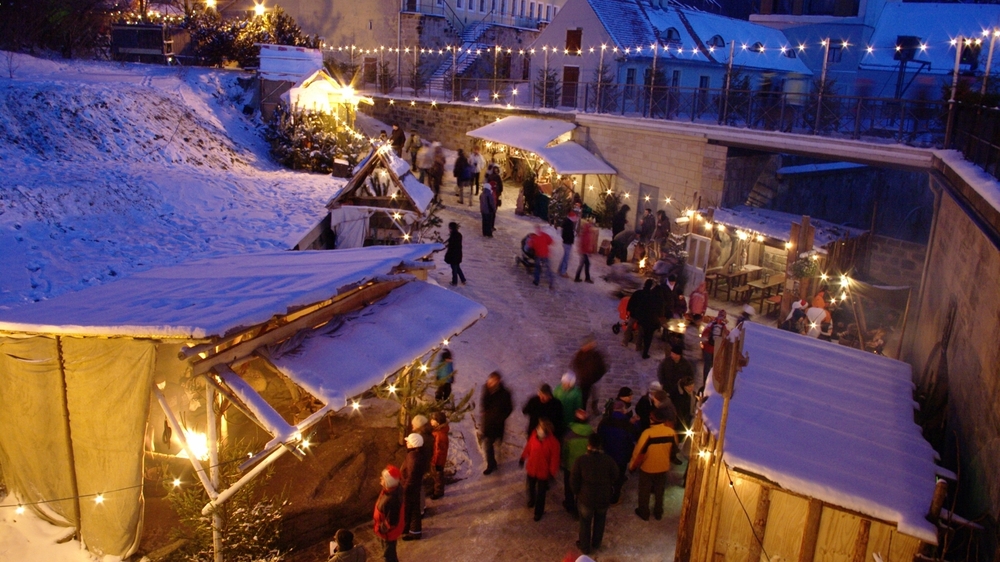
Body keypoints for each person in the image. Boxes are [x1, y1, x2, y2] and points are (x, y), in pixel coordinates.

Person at [571, 434, 619, 555]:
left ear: (589, 444)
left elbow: (574, 480)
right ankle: (596, 543)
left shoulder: (581, 460)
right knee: (600, 520)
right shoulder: (608, 460)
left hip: (586, 499)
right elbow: (616, 475)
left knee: (585, 523)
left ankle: (585, 546)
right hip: (603, 498)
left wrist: (577, 492)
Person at [629, 408, 676, 521]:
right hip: (663, 467)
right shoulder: (671, 432)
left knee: (644, 491)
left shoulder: (648, 434)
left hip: (648, 468)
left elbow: (639, 452)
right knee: (660, 491)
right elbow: (674, 450)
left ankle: (643, 512)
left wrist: (632, 466)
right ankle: (658, 512)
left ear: (654, 419)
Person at [519, 419, 561, 521]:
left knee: (541, 494)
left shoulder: (553, 443)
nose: (538, 429)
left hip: (543, 472)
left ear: (546, 430)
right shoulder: (534, 436)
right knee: (530, 487)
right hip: (532, 468)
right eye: (538, 427)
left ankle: (538, 512)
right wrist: (523, 457)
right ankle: (531, 500)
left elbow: (554, 459)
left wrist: (552, 472)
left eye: (540, 428)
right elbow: (528, 447)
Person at [596, 399, 637, 505]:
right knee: (619, 477)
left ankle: (606, 493)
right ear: (623, 410)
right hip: (621, 457)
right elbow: (632, 438)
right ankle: (615, 498)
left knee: (607, 475)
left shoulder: (605, 421)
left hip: (607, 454)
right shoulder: (627, 424)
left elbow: (599, 435)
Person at [561, 409, 594, 516]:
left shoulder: (569, 434)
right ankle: (580, 504)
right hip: (586, 466)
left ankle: (570, 505)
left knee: (569, 486)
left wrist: (563, 462)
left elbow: (565, 450)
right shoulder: (591, 434)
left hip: (571, 466)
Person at [480, 371, 513, 475]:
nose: (490, 382)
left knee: (496, 440)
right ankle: (491, 465)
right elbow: (484, 402)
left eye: (493, 381)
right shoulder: (486, 389)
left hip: (498, 423)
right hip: (488, 423)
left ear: (498, 381)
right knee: (488, 444)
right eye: (490, 380)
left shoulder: (505, 393)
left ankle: (498, 445)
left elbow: (509, 408)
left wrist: (501, 417)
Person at [373, 465, 404, 562]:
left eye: (383, 477)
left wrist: (380, 529)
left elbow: (391, 522)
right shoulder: (392, 491)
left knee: (388, 555)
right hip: (388, 532)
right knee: (390, 553)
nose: (380, 478)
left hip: (388, 534)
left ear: (388, 482)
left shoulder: (391, 499)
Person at [570, 336, 607, 413]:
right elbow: (575, 365)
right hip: (585, 381)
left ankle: (594, 407)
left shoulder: (596, 355)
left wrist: (597, 376)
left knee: (596, 395)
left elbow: (602, 366)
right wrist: (582, 376)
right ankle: (583, 411)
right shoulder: (580, 355)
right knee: (583, 397)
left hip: (595, 380)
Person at [400, 432, 426, 541]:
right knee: (414, 509)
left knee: (408, 509)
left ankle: (407, 529)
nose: (406, 442)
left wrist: (405, 488)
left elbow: (411, 475)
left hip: (410, 488)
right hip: (414, 487)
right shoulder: (417, 455)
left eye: (408, 441)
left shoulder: (412, 457)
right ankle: (415, 531)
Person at [701, 310, 729, 380]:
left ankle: (705, 381)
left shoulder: (711, 324)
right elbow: (728, 337)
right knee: (715, 367)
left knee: (707, 366)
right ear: (725, 317)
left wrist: (704, 344)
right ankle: (712, 381)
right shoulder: (724, 326)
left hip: (708, 349)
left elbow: (704, 334)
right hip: (717, 350)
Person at [430, 411, 450, 499]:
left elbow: (439, 451)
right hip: (436, 459)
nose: (430, 421)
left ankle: (438, 492)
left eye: (433, 419)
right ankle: (435, 488)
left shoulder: (440, 435)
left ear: (438, 422)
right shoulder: (437, 431)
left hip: (438, 461)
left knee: (438, 476)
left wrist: (435, 462)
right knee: (435, 475)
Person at [529, 224, 555, 288]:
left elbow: (530, 245)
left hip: (538, 255)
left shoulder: (534, 238)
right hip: (545, 254)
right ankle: (551, 282)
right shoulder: (544, 235)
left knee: (537, 267)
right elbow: (550, 241)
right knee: (548, 268)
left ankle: (536, 281)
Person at [682, 314, 703, 386]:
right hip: (691, 355)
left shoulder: (693, 328)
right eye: (700, 321)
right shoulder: (692, 329)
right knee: (691, 372)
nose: (701, 322)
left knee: (692, 372)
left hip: (693, 355)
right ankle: (687, 385)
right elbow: (692, 341)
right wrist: (703, 339)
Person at [574, 219, 597, 283]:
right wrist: (587, 251)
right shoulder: (586, 234)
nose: (591, 228)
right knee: (585, 264)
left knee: (585, 264)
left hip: (583, 252)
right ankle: (584, 278)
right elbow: (584, 244)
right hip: (583, 252)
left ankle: (579, 277)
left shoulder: (586, 233)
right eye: (590, 226)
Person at [444, 222, 466, 286]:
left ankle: (454, 282)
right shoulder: (459, 235)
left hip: (453, 255)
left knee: (454, 269)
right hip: (458, 254)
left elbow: (451, 246)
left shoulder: (453, 236)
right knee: (457, 267)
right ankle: (463, 279)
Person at [558, 211, 577, 277]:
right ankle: (563, 272)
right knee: (566, 258)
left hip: (566, 242)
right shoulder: (569, 224)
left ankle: (560, 269)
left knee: (565, 257)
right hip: (567, 243)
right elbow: (568, 234)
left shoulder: (567, 223)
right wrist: (570, 240)